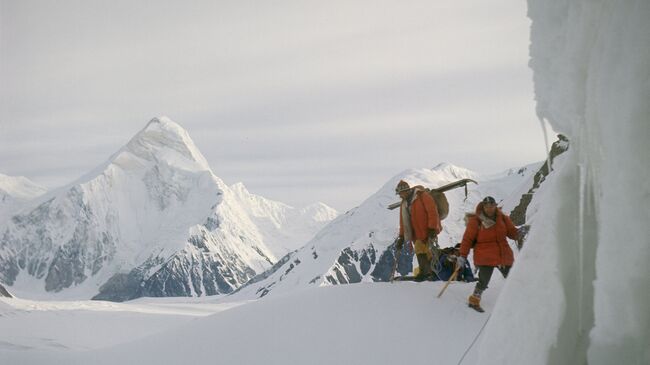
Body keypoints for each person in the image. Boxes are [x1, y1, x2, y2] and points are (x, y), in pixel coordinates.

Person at [456, 196, 519, 312]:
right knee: (483, 281)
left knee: (513, 277)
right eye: (487, 206)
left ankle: (518, 299)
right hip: (485, 255)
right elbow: (467, 239)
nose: (489, 209)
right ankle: (474, 301)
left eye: (492, 206)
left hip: (503, 254)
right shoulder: (476, 221)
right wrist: (462, 255)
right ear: (483, 207)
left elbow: (512, 232)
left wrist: (519, 233)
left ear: (495, 206)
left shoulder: (503, 218)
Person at [395, 180, 442, 281]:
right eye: (400, 194)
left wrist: (432, 228)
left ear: (407, 191)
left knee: (424, 251)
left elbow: (432, 212)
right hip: (416, 233)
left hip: (428, 230)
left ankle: (427, 273)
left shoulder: (422, 196)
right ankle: (428, 272)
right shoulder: (404, 204)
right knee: (421, 250)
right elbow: (403, 222)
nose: (401, 195)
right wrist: (402, 236)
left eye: (402, 193)